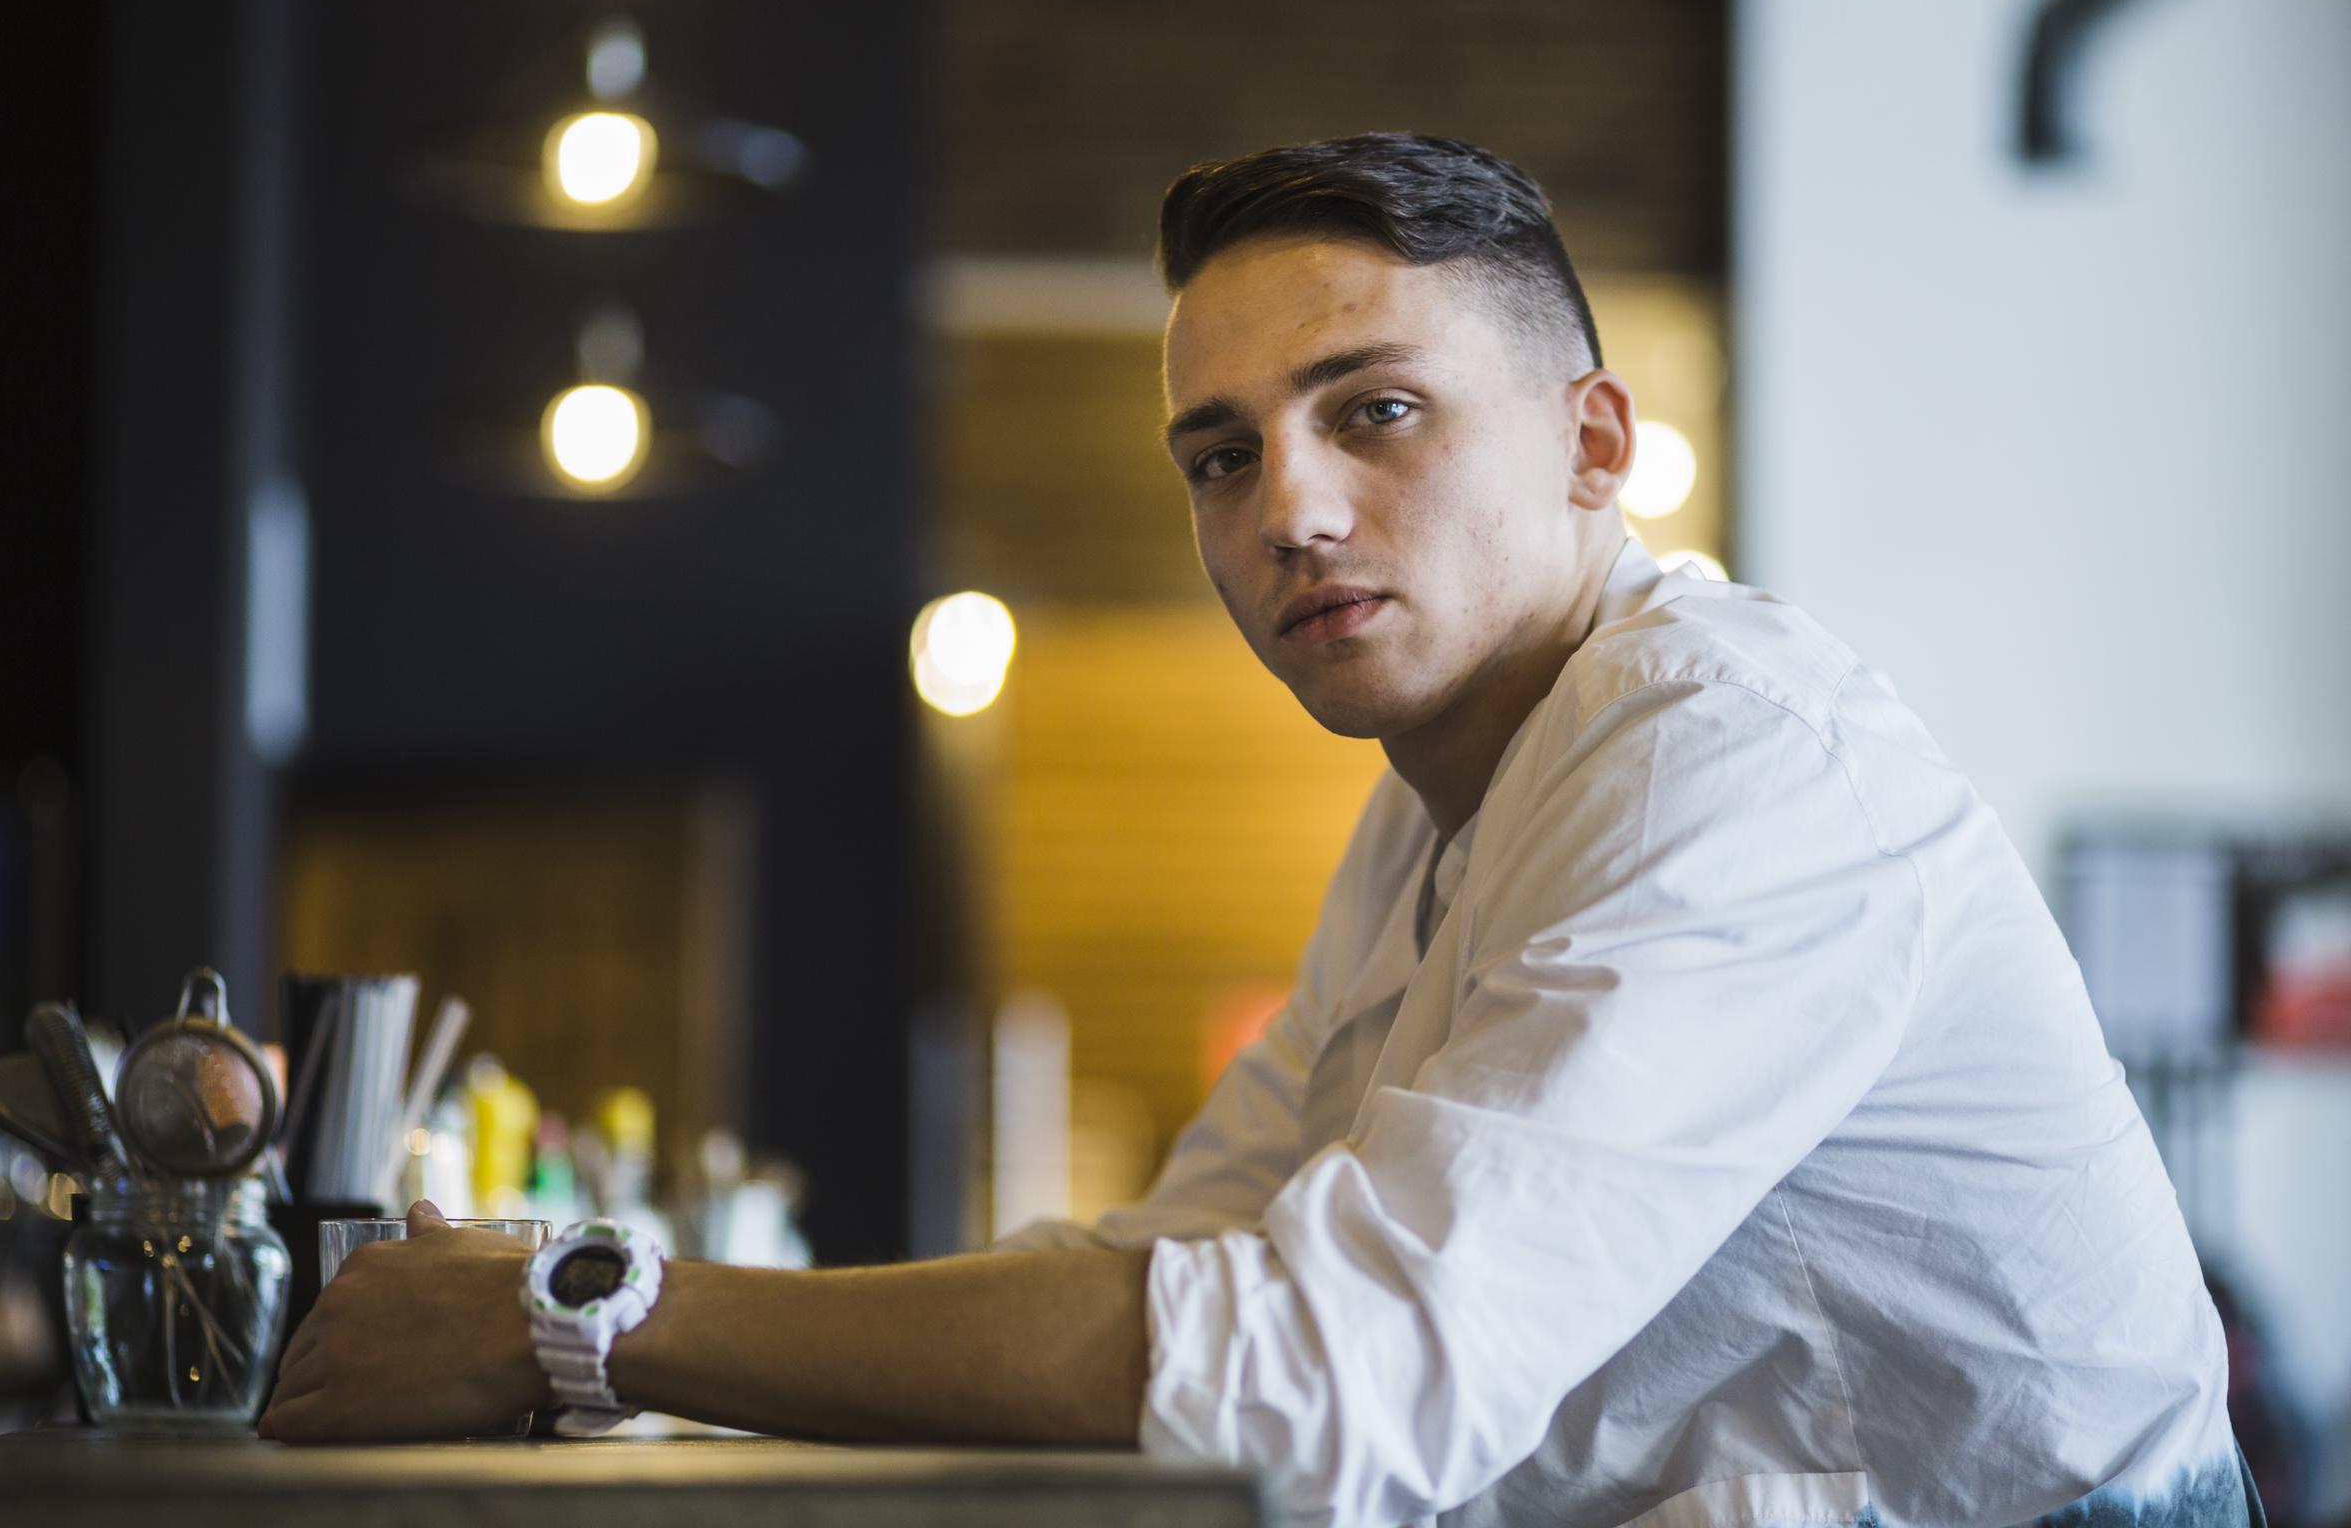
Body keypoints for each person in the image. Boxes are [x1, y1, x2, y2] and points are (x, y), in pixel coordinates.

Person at [262, 135, 2249, 1528]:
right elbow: (1188, 1262)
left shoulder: (1731, 761)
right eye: (1222, 455)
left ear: (1594, 443)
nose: (1282, 509)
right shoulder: (1432, 818)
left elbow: (1325, 1372)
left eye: (1371, 411)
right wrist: (622, 1314)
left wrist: (585, 1310)